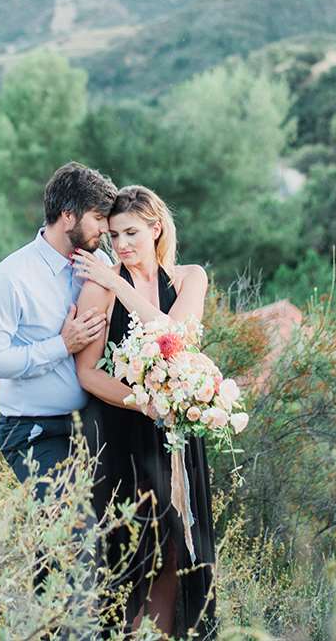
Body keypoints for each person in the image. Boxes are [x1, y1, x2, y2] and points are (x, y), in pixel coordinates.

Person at [71, 185, 216, 637]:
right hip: (123, 435)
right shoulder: (99, 288)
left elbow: (177, 335)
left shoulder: (190, 277)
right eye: (113, 236)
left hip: (178, 434)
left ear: (156, 228)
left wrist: (119, 283)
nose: (121, 245)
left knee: (179, 550)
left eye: (131, 232)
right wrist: (146, 402)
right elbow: (87, 374)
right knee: (136, 554)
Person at [0, 161, 117, 500]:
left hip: (91, 425)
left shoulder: (101, 266)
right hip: (34, 431)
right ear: (68, 215)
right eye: (97, 217)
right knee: (72, 529)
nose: (105, 228)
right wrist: (61, 345)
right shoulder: (12, 277)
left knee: (115, 530)